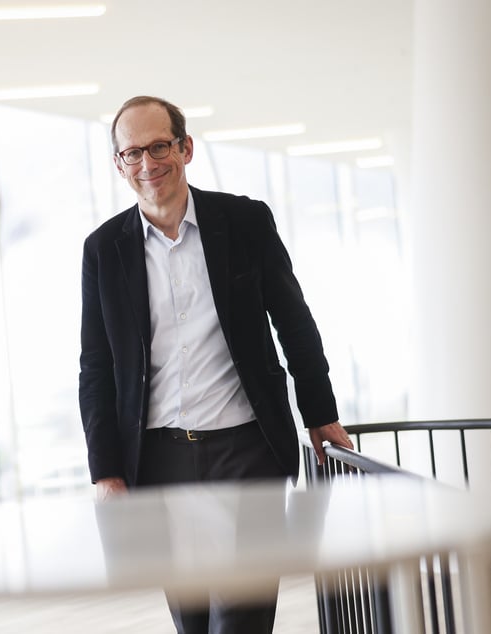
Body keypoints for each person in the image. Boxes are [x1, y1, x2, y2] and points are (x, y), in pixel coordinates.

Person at [78, 95, 354, 634]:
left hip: (246, 453)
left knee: (241, 619)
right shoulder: (103, 249)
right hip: (157, 462)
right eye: (133, 153)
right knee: (194, 621)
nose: (148, 163)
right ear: (119, 164)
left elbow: (294, 321)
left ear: (185, 148)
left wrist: (320, 412)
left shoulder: (245, 222)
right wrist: (106, 471)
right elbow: (96, 367)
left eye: (160, 147)